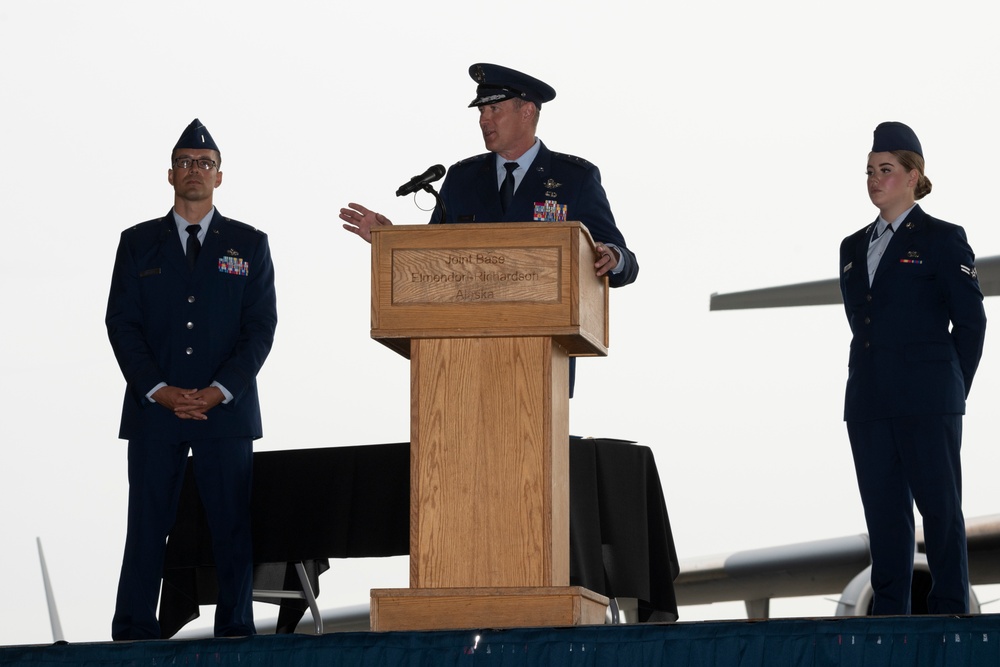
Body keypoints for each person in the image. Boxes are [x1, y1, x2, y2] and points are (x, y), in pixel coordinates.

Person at [340, 63, 638, 393]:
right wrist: (390, 240)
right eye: (481, 111)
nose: (484, 120)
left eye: (494, 108)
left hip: (539, 364)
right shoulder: (461, 178)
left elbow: (623, 259)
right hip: (458, 362)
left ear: (527, 111)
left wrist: (612, 256)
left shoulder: (574, 178)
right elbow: (433, 262)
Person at [106, 119, 277, 639]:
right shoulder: (137, 243)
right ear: (170, 174)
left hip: (224, 412)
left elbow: (260, 328)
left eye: (204, 163)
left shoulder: (249, 244)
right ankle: (133, 631)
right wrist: (159, 391)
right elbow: (122, 324)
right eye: (184, 162)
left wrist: (217, 391)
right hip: (155, 413)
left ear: (219, 177)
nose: (193, 171)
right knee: (146, 529)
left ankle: (236, 631)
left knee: (231, 530)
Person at [839, 121, 986, 615]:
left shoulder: (943, 238)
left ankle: (948, 612)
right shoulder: (851, 248)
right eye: (869, 171)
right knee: (883, 517)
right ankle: (888, 617)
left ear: (912, 176)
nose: (874, 179)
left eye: (885, 170)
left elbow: (970, 321)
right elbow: (865, 325)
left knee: (941, 510)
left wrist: (949, 386)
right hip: (869, 403)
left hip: (929, 398)